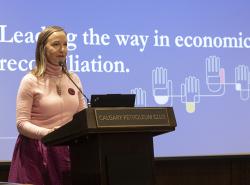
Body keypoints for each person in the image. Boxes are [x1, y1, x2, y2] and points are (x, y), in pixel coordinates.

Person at [8, 26, 87, 185]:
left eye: (65, 44)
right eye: (56, 44)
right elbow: (21, 123)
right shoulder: (30, 80)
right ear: (42, 48)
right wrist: (50, 134)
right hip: (36, 152)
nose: (62, 49)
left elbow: (82, 117)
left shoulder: (74, 79)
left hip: (68, 151)